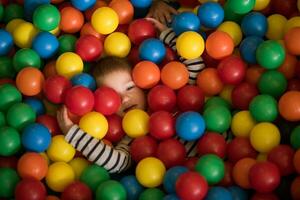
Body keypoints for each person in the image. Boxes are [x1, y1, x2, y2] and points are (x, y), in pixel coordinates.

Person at [57, 18, 206, 173]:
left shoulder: (172, 99)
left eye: (129, 87)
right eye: (111, 97)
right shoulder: (132, 137)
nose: (124, 99)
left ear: (142, 84)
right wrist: (72, 132)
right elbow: (116, 163)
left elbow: (195, 68)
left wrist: (166, 34)